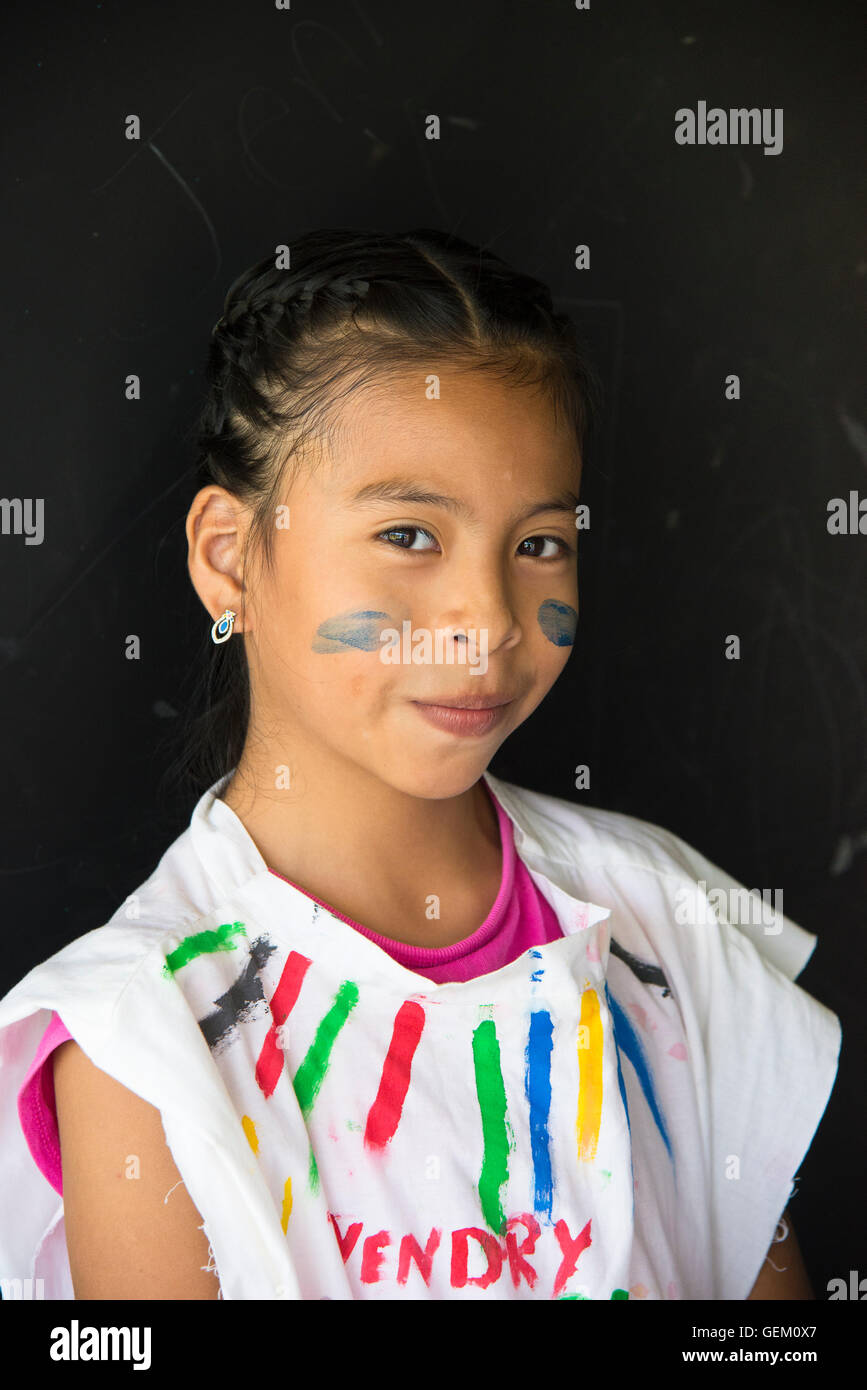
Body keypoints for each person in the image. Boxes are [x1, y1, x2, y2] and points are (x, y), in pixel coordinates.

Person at [0, 228, 840, 1301]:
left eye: (539, 543)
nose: (485, 620)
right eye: (408, 535)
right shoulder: (145, 1038)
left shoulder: (664, 923)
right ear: (227, 559)